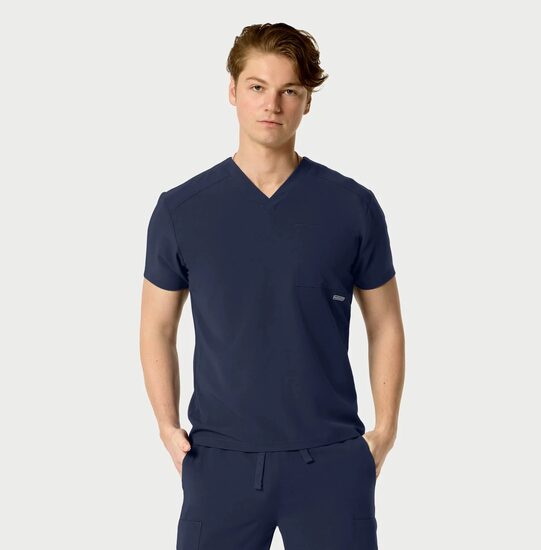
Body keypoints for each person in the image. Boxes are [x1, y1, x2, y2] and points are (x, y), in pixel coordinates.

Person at [140, 22, 405, 550]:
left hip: (331, 459)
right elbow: (156, 326)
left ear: (307, 102)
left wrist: (384, 433)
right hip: (220, 462)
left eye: (290, 91)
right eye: (258, 87)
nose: (272, 104)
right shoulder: (182, 210)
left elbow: (385, 322)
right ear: (232, 91)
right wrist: (168, 428)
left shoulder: (352, 206)